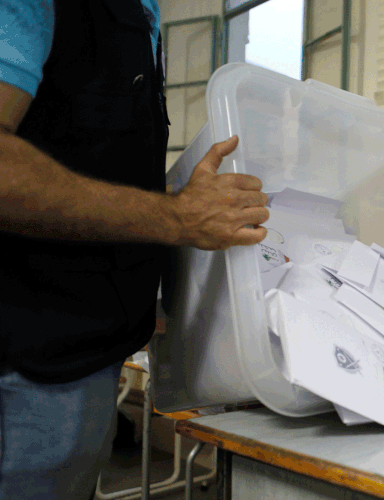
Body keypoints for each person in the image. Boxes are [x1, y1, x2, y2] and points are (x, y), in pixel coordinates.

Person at [0, 1, 268, 498]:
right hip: (28, 367)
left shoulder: (136, 11)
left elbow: (95, 159)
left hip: (82, 358)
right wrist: (178, 217)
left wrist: (160, 287)